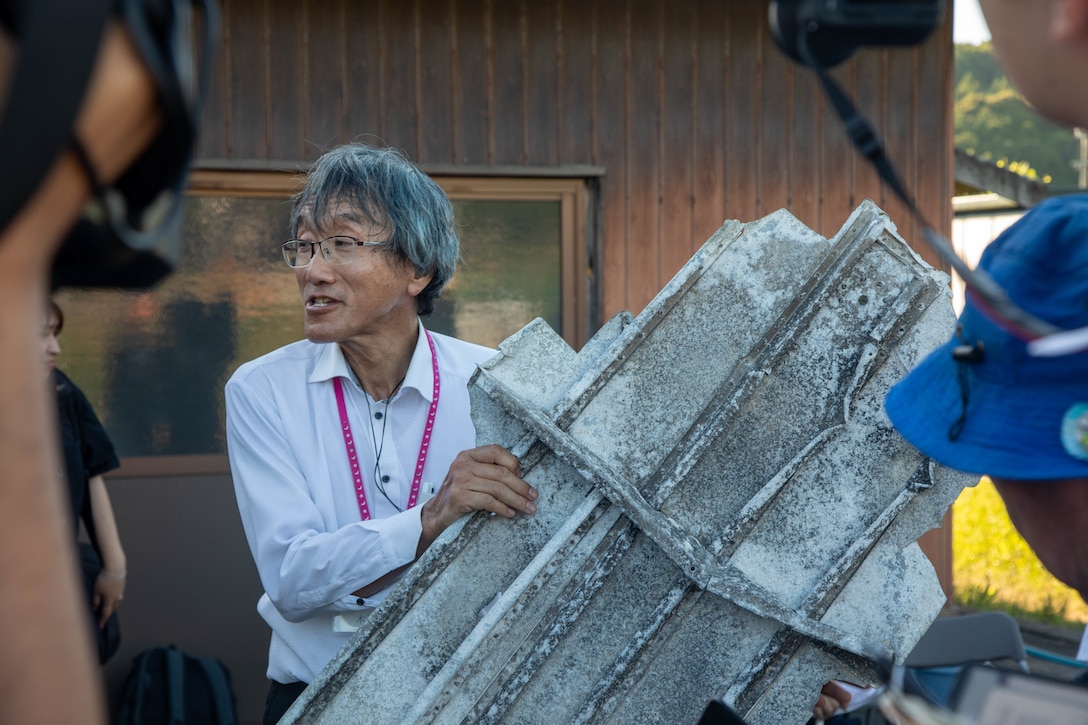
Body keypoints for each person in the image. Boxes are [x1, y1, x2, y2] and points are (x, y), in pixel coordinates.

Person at [224, 143, 541, 724]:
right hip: (314, 697)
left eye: (342, 244)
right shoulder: (261, 389)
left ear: (417, 269)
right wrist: (427, 521)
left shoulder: (498, 382)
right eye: (305, 245)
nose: (313, 270)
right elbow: (291, 578)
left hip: (466, 698)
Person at [45, 299, 128, 659]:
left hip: (59, 573)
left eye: (54, 333)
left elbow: (92, 470)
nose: (54, 348)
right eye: (40, 335)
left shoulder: (61, 391)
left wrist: (114, 567)